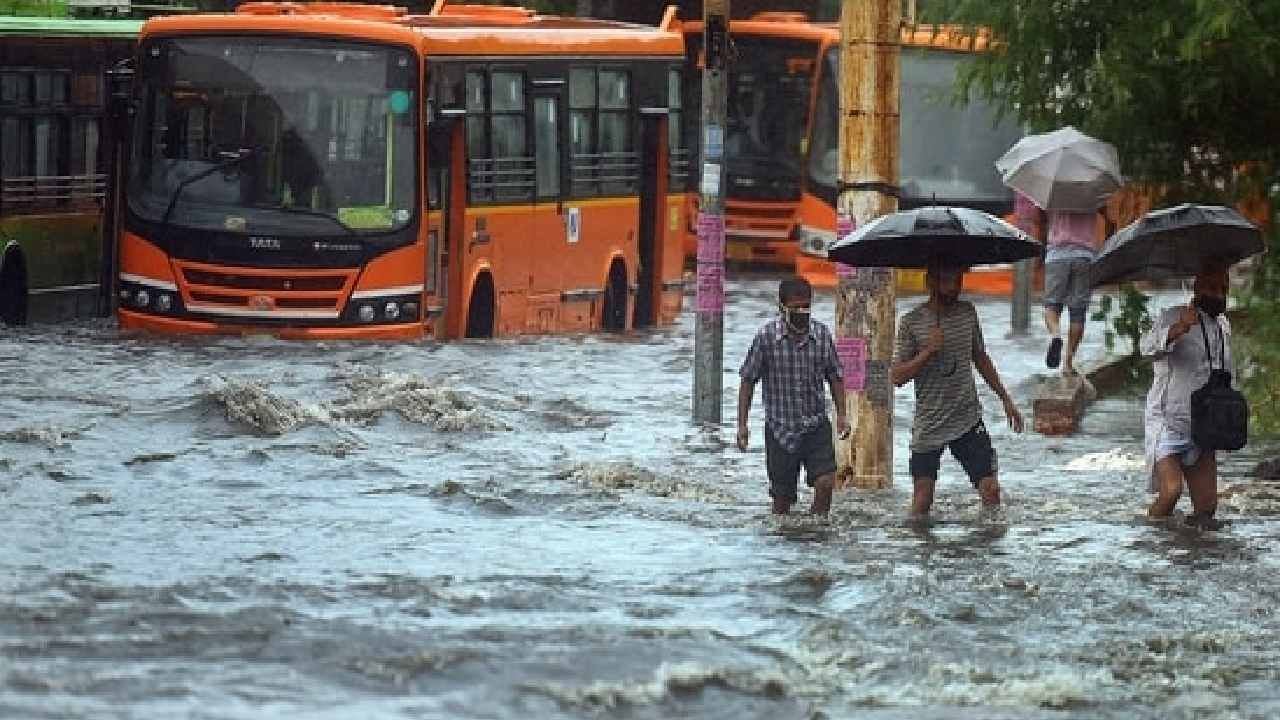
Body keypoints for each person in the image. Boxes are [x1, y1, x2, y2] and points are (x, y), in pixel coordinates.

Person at [891, 261, 1025, 518]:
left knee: (990, 490)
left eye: (958, 281)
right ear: (931, 282)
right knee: (922, 499)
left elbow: (980, 357)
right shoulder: (911, 322)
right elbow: (897, 377)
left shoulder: (967, 313)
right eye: (947, 282)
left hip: (967, 417)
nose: (954, 288)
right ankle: (918, 551)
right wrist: (928, 352)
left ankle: (988, 548)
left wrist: (1005, 399)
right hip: (930, 422)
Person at [737, 277, 849, 516]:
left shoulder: (821, 335)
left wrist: (842, 416)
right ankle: (786, 542)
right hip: (780, 430)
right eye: (795, 308)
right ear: (781, 308)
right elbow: (748, 380)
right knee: (782, 500)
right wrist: (742, 425)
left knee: (826, 483)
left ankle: (816, 530)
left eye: (805, 307)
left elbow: (835, 376)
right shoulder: (766, 338)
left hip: (816, 425)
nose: (801, 313)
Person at [1140, 266, 1233, 530]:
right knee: (1171, 492)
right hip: (1168, 421)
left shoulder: (1224, 326)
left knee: (1206, 510)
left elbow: (1227, 372)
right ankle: (1151, 536)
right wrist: (1179, 328)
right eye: (1213, 288)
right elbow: (1146, 348)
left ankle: (1190, 549)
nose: (1219, 295)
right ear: (1197, 288)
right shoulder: (1173, 315)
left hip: (1204, 426)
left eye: (1224, 289)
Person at [1041, 208, 1101, 375]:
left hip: (1056, 255)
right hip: (1084, 256)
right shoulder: (1092, 190)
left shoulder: (1053, 190)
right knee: (1078, 313)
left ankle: (1055, 334)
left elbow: (1044, 215)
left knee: (1051, 306)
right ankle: (1067, 364)